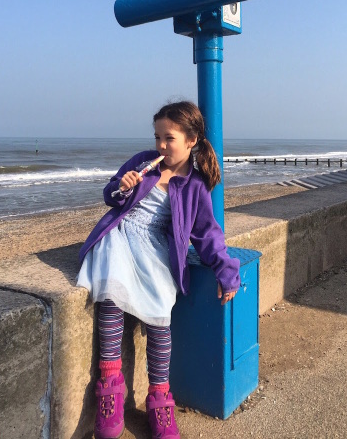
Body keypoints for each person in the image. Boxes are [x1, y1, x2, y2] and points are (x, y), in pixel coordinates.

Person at [77, 101, 240, 439]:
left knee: (160, 315)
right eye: (157, 138)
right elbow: (110, 194)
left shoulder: (195, 186)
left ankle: (160, 398)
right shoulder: (143, 163)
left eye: (169, 138)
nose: (161, 146)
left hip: (155, 248)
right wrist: (123, 187)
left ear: (191, 140)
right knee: (110, 294)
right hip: (120, 236)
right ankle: (110, 385)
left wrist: (225, 269)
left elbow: (208, 234)